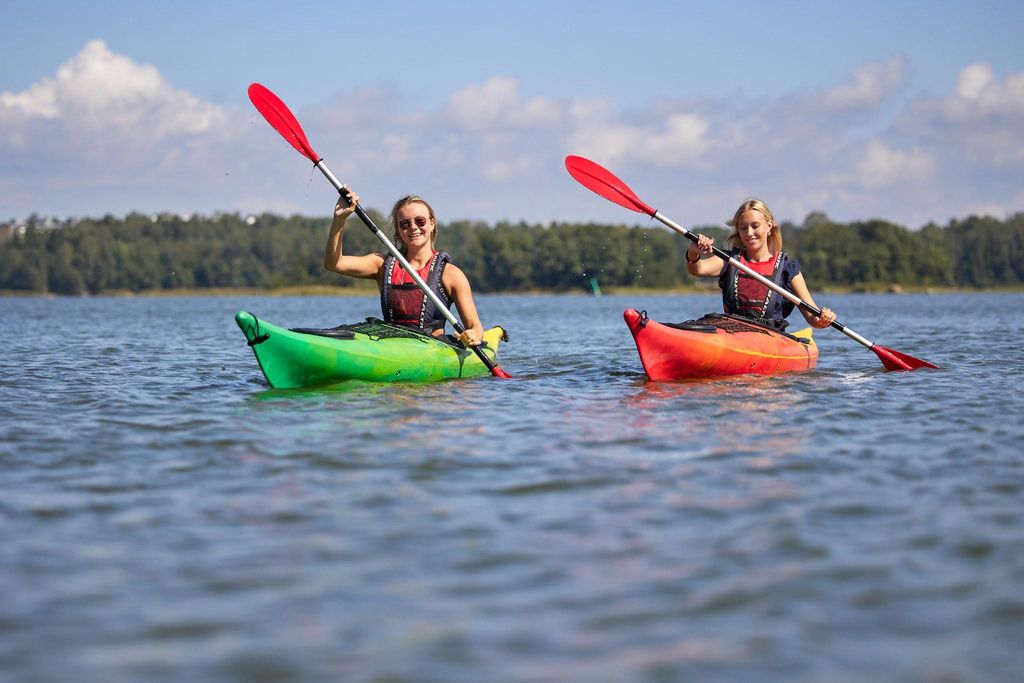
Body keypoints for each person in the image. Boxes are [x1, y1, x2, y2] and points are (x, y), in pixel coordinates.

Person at [324, 189, 485, 346]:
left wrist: (473, 335)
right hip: (392, 346)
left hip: (433, 348)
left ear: (431, 224)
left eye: (420, 221)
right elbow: (334, 263)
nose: (413, 227)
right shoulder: (381, 264)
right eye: (404, 223)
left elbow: (475, 327)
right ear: (399, 230)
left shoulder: (451, 274)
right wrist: (340, 219)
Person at [684, 199, 836, 331]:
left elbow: (812, 318)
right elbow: (697, 269)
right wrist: (693, 252)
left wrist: (824, 319)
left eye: (755, 226)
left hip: (770, 337)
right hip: (731, 331)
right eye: (743, 228)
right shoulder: (730, 260)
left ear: (769, 226)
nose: (749, 233)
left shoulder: (787, 270)